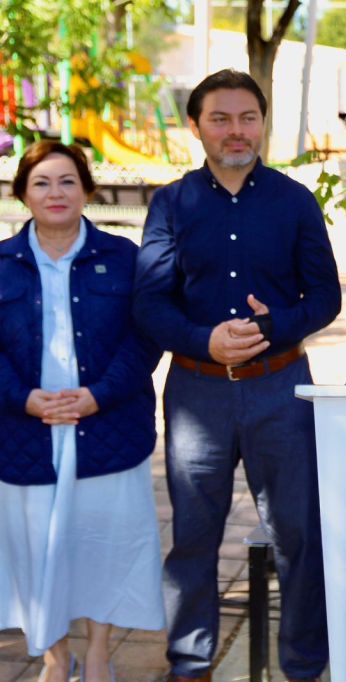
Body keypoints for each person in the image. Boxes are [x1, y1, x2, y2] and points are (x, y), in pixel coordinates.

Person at [133, 70, 340, 682]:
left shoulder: (294, 200)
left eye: (247, 117)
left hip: (282, 387)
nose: (236, 130)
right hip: (198, 392)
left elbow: (325, 295)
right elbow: (149, 302)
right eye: (220, 118)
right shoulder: (172, 203)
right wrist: (207, 340)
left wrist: (274, 326)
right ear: (195, 126)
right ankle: (189, 664)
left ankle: (304, 665)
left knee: (298, 535)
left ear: (262, 123)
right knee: (195, 537)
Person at [0, 142, 163, 682]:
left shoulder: (123, 257)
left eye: (67, 181)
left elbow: (145, 340)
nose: (55, 193)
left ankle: (96, 656)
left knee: (105, 545)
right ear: (22, 192)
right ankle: (54, 655)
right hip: (26, 427)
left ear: (87, 190)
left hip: (106, 423)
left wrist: (99, 394)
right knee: (37, 549)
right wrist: (23, 398)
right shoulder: (1, 263)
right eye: (42, 182)